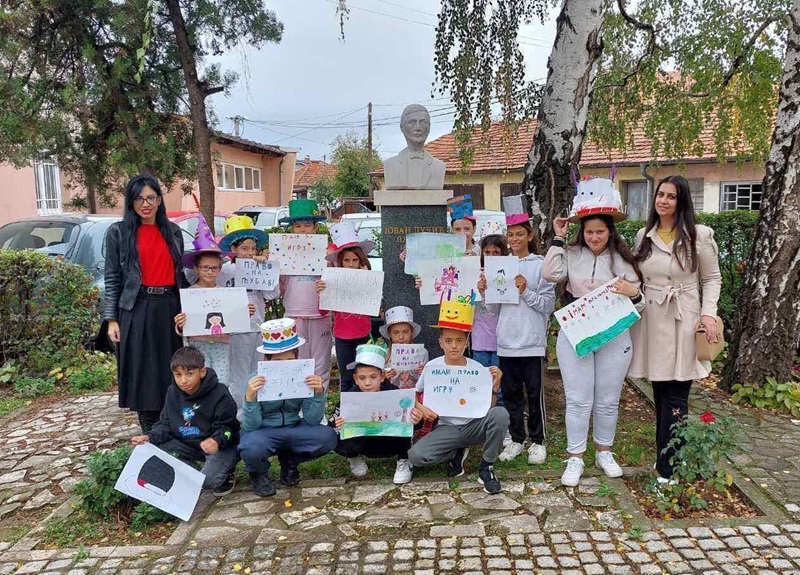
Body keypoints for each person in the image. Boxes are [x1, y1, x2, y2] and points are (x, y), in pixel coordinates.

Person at [543, 175, 645, 486]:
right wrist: (558, 239)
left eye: (600, 231)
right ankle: (575, 457)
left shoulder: (623, 260)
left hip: (614, 337)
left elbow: (640, 305)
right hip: (576, 334)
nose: (594, 237)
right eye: (589, 232)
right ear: (582, 232)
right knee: (577, 399)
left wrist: (633, 293)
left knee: (607, 399)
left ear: (610, 231)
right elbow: (550, 274)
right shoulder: (571, 253)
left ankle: (604, 452)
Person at [628, 175, 722, 483]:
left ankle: (669, 468)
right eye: (660, 194)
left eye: (671, 196)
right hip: (653, 321)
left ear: (681, 201)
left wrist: (708, 314)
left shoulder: (699, 235)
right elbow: (636, 278)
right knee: (660, 393)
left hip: (684, 320)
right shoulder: (645, 234)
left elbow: (711, 279)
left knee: (677, 396)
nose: (663, 201)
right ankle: (664, 461)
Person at [104, 174, 187, 433]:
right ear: (131, 202)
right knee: (143, 370)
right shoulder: (118, 232)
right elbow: (112, 277)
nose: (145, 204)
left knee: (170, 367)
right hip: (136, 307)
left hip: (170, 306)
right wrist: (111, 318)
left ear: (160, 200)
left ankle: (172, 427)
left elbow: (182, 273)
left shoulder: (172, 231)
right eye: (138, 199)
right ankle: (150, 432)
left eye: (151, 198)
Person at [479, 196, 555, 465]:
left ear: (529, 235)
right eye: (510, 235)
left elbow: (547, 305)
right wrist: (486, 292)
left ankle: (538, 440)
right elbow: (495, 310)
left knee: (534, 395)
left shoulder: (540, 265)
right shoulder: (501, 265)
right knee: (510, 395)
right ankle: (517, 439)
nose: (514, 239)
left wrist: (526, 291)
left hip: (532, 342)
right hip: (506, 342)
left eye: (520, 234)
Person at [408, 294, 509, 494]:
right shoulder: (432, 367)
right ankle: (455, 452)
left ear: (466, 343)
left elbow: (487, 409)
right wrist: (421, 407)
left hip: (474, 425)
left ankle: (486, 466)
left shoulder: (478, 368)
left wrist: (494, 389)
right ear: (441, 343)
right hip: (446, 427)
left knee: (500, 414)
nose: (454, 345)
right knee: (416, 456)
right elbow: (413, 393)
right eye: (449, 340)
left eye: (459, 340)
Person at [238, 318, 338, 496]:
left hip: (294, 427)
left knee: (328, 437)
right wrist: (250, 398)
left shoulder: (305, 376)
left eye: (288, 360)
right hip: (263, 431)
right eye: (277, 362)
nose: (283, 366)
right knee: (250, 447)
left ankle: (290, 461)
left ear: (296, 357)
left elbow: (312, 419)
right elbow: (250, 426)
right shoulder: (255, 380)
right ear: (266, 359)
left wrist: (317, 393)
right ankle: (259, 474)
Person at [130, 346, 240, 496]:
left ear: (202, 372)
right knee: (152, 450)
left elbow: (228, 426)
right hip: (186, 444)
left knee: (208, 481)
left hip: (218, 446)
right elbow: (165, 424)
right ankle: (192, 473)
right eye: (178, 374)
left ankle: (226, 471)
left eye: (189, 374)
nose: (183, 380)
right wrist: (148, 437)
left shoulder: (220, 393)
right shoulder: (172, 392)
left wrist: (217, 440)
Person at [175, 215, 252, 391]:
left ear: (219, 269)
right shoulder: (189, 294)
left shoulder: (227, 293)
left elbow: (234, 321)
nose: (209, 272)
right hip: (197, 345)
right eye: (205, 268)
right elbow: (182, 328)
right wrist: (179, 325)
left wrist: (243, 313)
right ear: (196, 268)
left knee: (221, 382)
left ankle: (220, 415)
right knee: (198, 383)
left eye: (214, 268)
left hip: (222, 345)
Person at [330, 343, 422, 484]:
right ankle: (354, 457)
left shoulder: (395, 393)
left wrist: (416, 418)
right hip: (363, 444)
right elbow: (331, 425)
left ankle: (403, 460)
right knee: (338, 435)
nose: (368, 383)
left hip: (389, 442)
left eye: (373, 377)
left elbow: (415, 422)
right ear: (355, 378)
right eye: (362, 378)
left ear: (382, 376)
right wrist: (337, 425)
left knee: (405, 423)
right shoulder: (350, 397)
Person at [218, 215, 280, 412]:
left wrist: (267, 268)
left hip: (257, 328)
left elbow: (273, 293)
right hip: (236, 330)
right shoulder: (225, 270)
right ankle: (238, 415)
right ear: (234, 249)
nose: (250, 253)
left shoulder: (258, 268)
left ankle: (256, 411)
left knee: (257, 372)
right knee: (239, 375)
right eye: (245, 248)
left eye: (253, 248)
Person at [278, 199, 333, 392]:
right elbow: (275, 290)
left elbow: (339, 285)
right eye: (297, 225)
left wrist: (327, 284)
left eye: (307, 225)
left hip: (320, 315)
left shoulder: (328, 253)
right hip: (294, 315)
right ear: (291, 228)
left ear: (316, 227)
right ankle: (299, 408)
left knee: (321, 365)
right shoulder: (281, 252)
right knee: (297, 363)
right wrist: (267, 264)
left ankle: (319, 409)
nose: (302, 230)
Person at [316, 221, 376, 393]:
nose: (351, 264)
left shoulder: (368, 279)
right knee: (347, 377)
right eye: (347, 260)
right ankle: (347, 413)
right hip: (342, 337)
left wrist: (367, 281)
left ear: (361, 261)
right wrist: (321, 293)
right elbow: (323, 311)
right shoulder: (332, 281)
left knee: (364, 376)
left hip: (362, 334)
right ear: (340, 262)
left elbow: (374, 305)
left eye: (355, 260)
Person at [384, 104, 447, 190]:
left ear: (429, 128)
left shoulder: (439, 167)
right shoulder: (390, 165)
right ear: (401, 127)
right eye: (412, 122)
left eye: (423, 122)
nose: (418, 128)